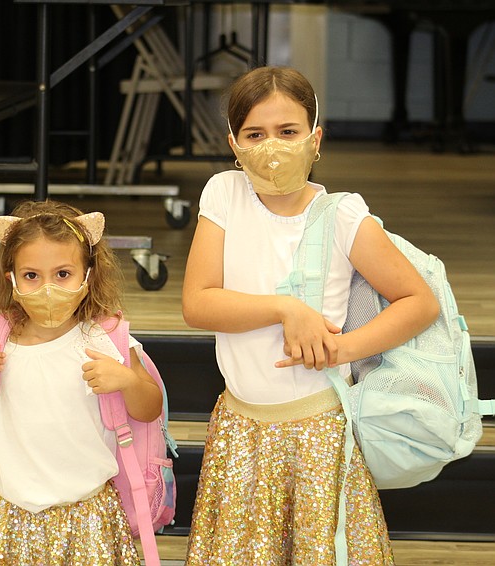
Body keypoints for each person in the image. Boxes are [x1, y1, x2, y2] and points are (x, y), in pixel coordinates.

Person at [182, 66, 439, 565]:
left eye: (288, 132)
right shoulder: (224, 194)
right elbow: (198, 302)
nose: (271, 146)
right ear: (232, 143)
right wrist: (286, 309)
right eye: (254, 134)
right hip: (240, 427)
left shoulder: (342, 216)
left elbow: (418, 302)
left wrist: (340, 349)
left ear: (315, 139)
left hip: (319, 433)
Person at [0, 200, 162, 565]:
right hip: (11, 514)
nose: (47, 287)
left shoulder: (104, 338)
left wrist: (127, 381)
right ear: (12, 279)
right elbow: (0, 412)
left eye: (63, 274)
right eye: (32, 275)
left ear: (88, 274)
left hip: (87, 515)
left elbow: (149, 409)